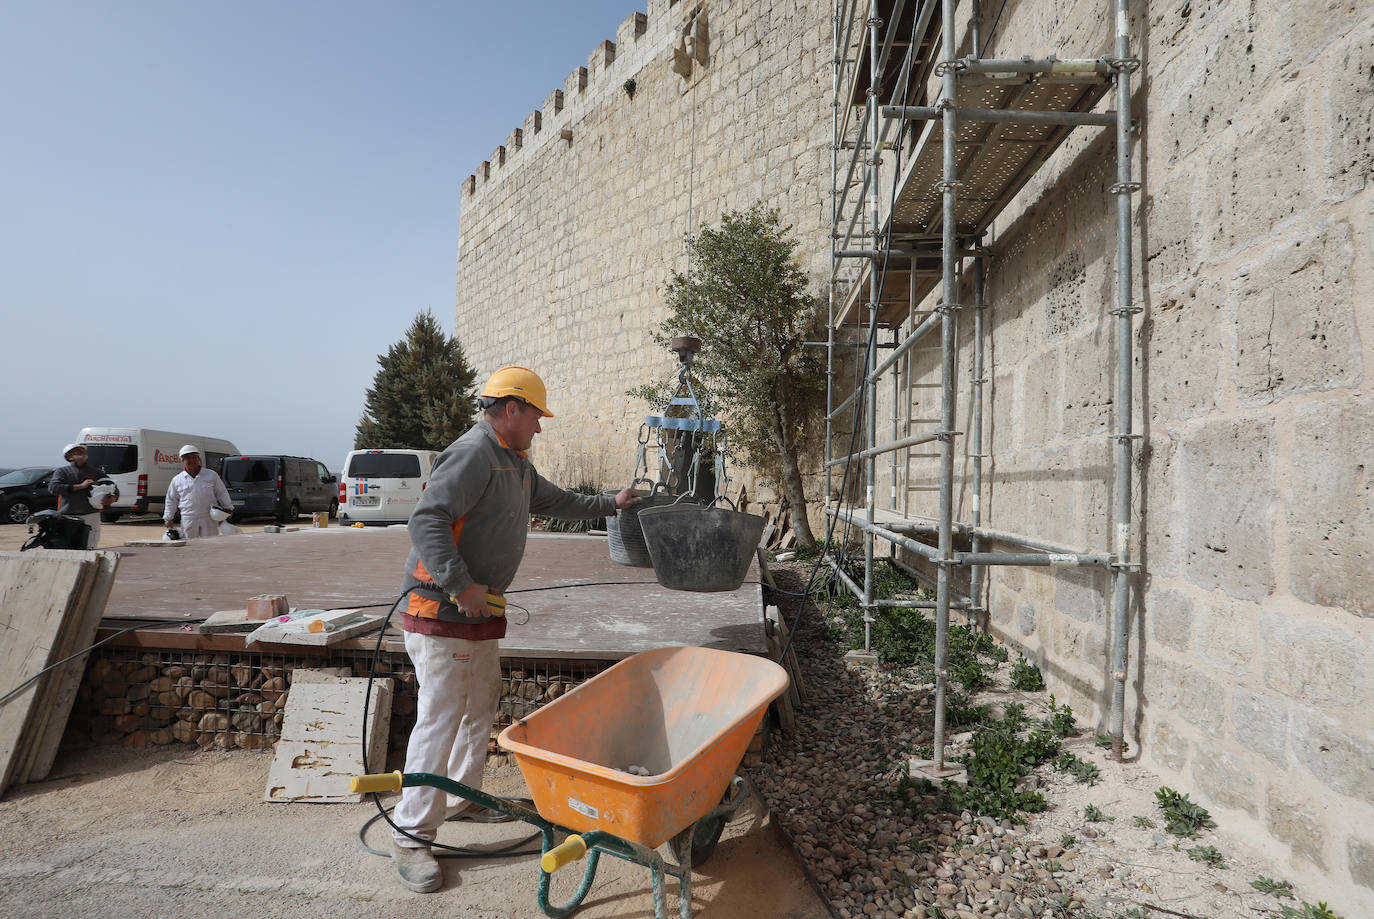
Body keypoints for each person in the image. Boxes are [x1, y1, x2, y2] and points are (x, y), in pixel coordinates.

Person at [387, 366, 641, 894]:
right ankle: (412, 835)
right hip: (443, 614)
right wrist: (460, 584)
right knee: (439, 718)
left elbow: (555, 501)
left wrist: (609, 505)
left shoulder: (514, 460)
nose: (540, 428)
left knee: (478, 709)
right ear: (510, 409)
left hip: (477, 616)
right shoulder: (474, 452)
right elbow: (426, 520)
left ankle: (462, 800)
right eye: (536, 417)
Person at [48, 443, 116, 548]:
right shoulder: (62, 472)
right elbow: (53, 488)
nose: (82, 454)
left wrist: (113, 497)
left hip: (91, 515)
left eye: (83, 452)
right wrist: (80, 486)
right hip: (68, 515)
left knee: (90, 545)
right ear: (69, 457)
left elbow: (112, 486)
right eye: (77, 452)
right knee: (69, 546)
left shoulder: (95, 472)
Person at [163, 444, 233, 539]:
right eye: (188, 458)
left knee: (211, 545)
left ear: (198, 459)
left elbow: (221, 492)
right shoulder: (177, 480)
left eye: (194, 457)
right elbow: (171, 500)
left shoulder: (211, 475)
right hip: (188, 518)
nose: (192, 460)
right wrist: (168, 518)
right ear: (182, 460)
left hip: (208, 517)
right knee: (190, 546)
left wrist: (228, 508)